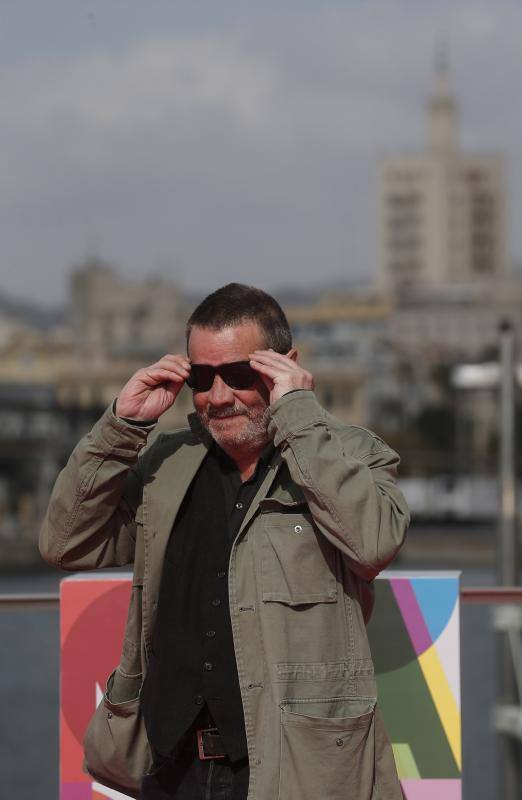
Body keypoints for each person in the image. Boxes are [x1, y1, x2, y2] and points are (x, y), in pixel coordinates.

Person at [40, 283, 410, 800]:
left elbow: (374, 541)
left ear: (287, 367)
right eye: (201, 377)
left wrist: (297, 415)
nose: (218, 396)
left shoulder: (347, 454)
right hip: (172, 769)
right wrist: (120, 428)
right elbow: (64, 543)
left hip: (294, 774)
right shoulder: (166, 465)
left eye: (239, 375)